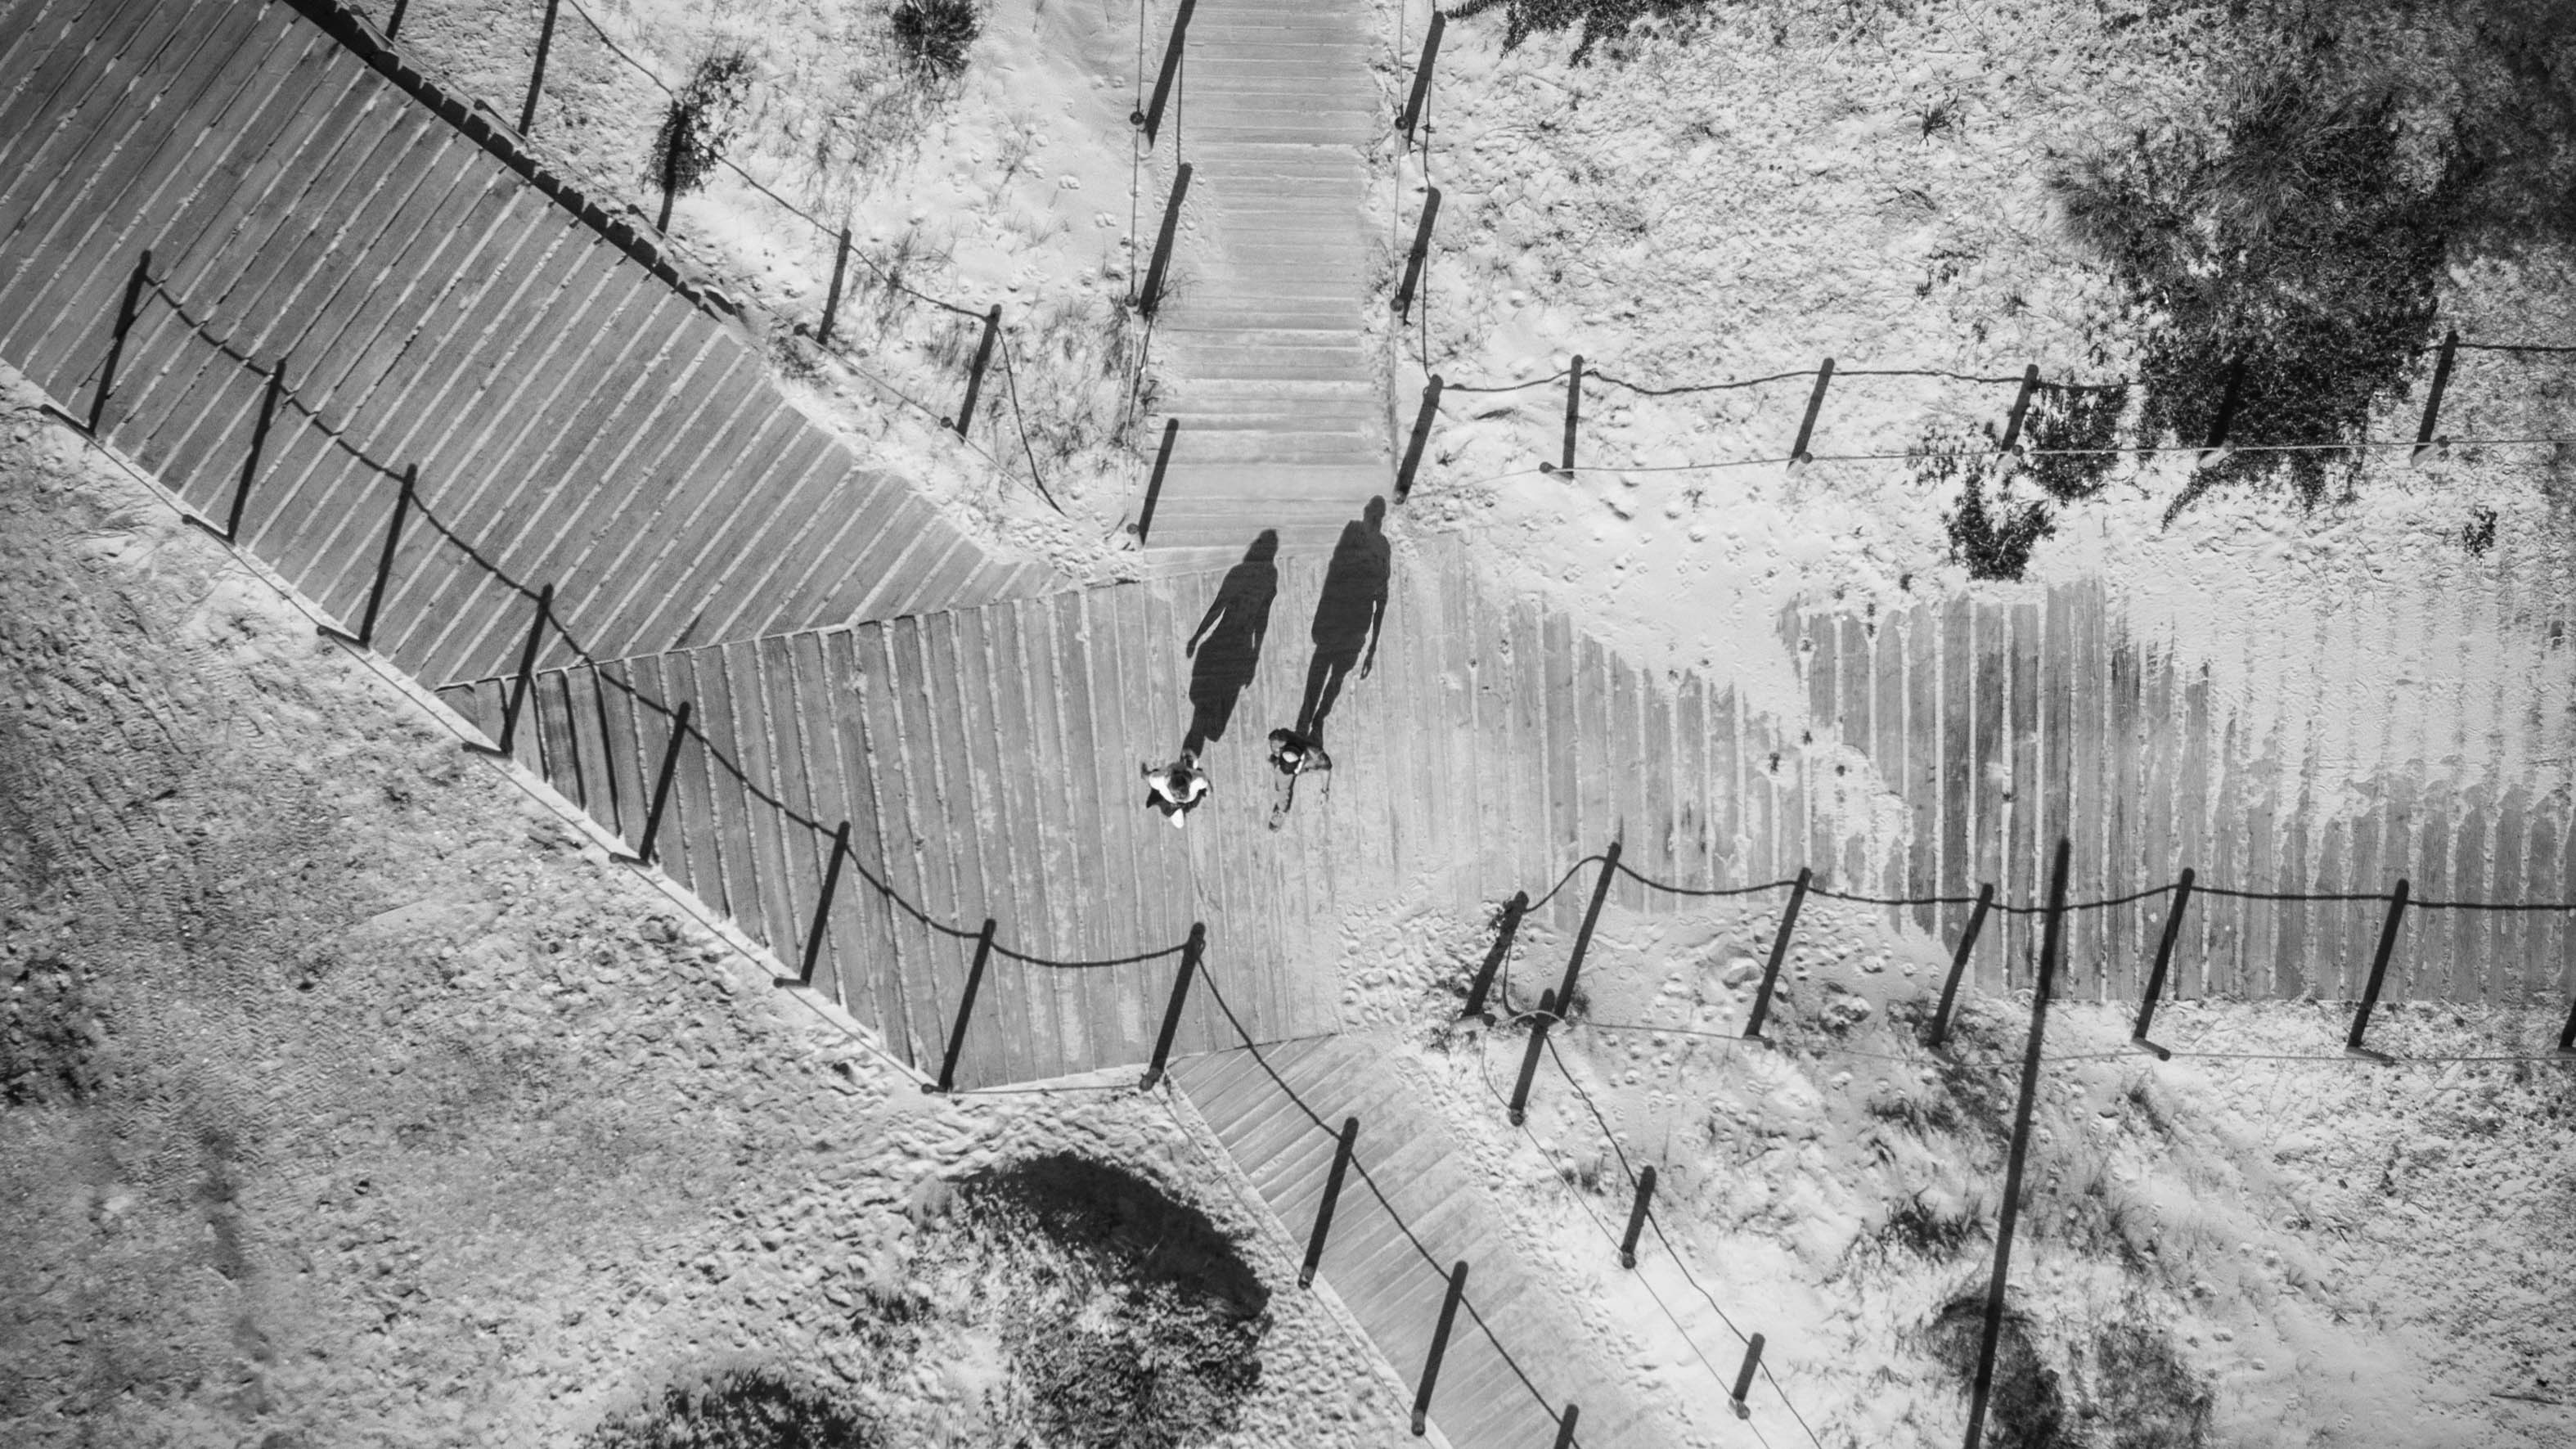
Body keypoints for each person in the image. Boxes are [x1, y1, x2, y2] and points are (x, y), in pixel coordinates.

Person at [1140, 751, 1211, 828]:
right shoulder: (1198, 778)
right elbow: (1206, 784)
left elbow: (1148, 777)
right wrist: (1208, 791)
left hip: (1171, 803)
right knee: (1179, 823)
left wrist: (1144, 773)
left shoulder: (1159, 780)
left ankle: (1177, 813)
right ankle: (1179, 813)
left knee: (1179, 823)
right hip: (1190, 800)